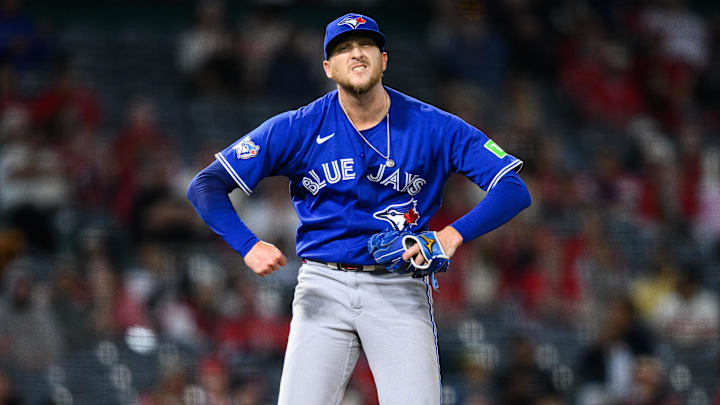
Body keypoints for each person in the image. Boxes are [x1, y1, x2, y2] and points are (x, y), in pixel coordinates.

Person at [187, 13, 531, 405]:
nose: (356, 54)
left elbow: (513, 188)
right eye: (343, 49)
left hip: (398, 288)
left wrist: (451, 235)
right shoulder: (299, 127)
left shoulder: (434, 126)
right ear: (328, 68)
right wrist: (248, 244)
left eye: (365, 45)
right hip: (322, 286)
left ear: (384, 59)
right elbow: (205, 185)